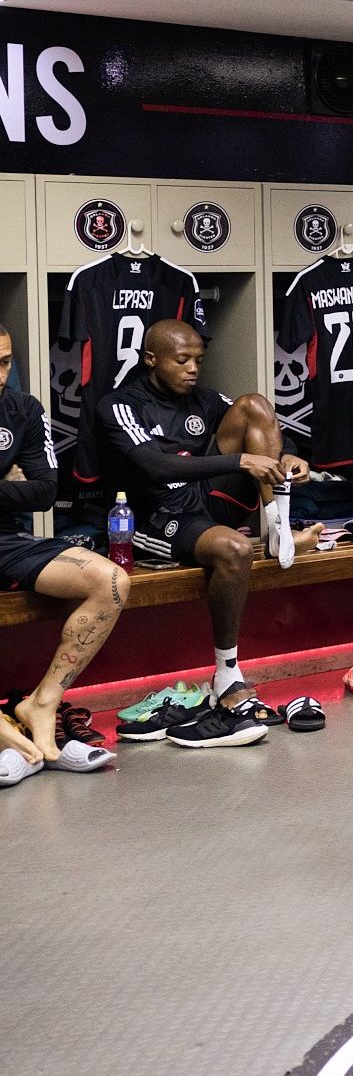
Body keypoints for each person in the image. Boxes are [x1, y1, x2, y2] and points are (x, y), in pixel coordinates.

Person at [99, 319, 321, 745]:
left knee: (254, 404)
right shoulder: (120, 405)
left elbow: (261, 435)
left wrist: (289, 459)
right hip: (155, 515)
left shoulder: (205, 399)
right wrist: (240, 463)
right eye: (182, 360)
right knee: (234, 550)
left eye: (198, 360)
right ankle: (228, 672)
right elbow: (156, 466)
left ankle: (279, 524)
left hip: (204, 500)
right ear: (151, 360)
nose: (193, 369)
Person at [0, 322, 120, 782]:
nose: (0, 374)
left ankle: (41, 702)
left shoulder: (23, 409)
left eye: (6, 362)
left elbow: (45, 491)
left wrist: (21, 487)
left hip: (5, 540)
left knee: (110, 582)